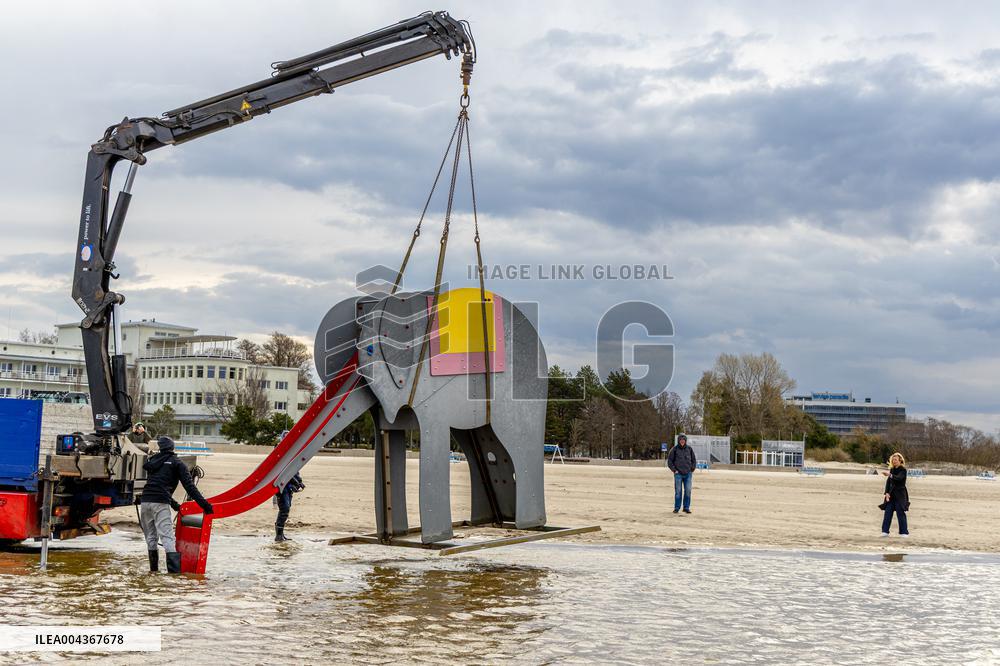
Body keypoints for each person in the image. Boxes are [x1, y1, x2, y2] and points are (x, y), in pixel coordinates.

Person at [139, 436, 213, 573]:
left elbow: (156, 485)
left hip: (145, 501)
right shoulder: (177, 463)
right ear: (173, 447)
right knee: (167, 538)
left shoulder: (153, 461)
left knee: (151, 538)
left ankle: (153, 572)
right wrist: (205, 506)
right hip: (160, 503)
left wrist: (174, 505)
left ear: (160, 447)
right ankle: (173, 577)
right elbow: (190, 487)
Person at [879, 452, 909, 537]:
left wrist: (889, 474)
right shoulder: (892, 469)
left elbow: (899, 478)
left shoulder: (903, 470)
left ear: (900, 461)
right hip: (891, 495)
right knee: (887, 513)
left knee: (900, 513)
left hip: (900, 495)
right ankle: (885, 531)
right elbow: (888, 482)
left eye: (896, 460)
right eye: (893, 460)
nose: (894, 461)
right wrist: (886, 493)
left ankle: (904, 533)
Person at [667, 434, 697, 514]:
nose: (682, 441)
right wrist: (674, 470)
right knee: (678, 491)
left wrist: (692, 469)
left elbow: (694, 460)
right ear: (678, 441)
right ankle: (677, 508)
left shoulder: (689, 449)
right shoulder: (674, 449)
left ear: (685, 441)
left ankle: (686, 508)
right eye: (681, 440)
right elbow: (669, 461)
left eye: (684, 440)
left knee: (688, 491)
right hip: (678, 474)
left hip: (688, 474)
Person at [274, 473, 305, 542]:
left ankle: (280, 535)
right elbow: (286, 474)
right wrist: (297, 482)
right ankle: (278, 536)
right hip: (282, 487)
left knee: (285, 510)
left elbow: (294, 472)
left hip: (288, 488)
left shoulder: (292, 463)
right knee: (284, 509)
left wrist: (299, 482)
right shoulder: (283, 462)